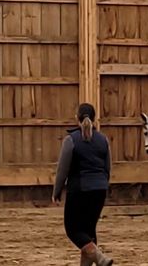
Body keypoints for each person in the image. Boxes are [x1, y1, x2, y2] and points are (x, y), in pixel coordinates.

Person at [52, 103, 113, 266]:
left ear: (76, 118)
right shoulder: (103, 140)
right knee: (88, 230)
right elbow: (108, 168)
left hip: (80, 190)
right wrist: (101, 186)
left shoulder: (70, 140)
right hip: (100, 190)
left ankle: (100, 258)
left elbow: (62, 170)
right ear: (94, 119)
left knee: (73, 229)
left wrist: (56, 191)